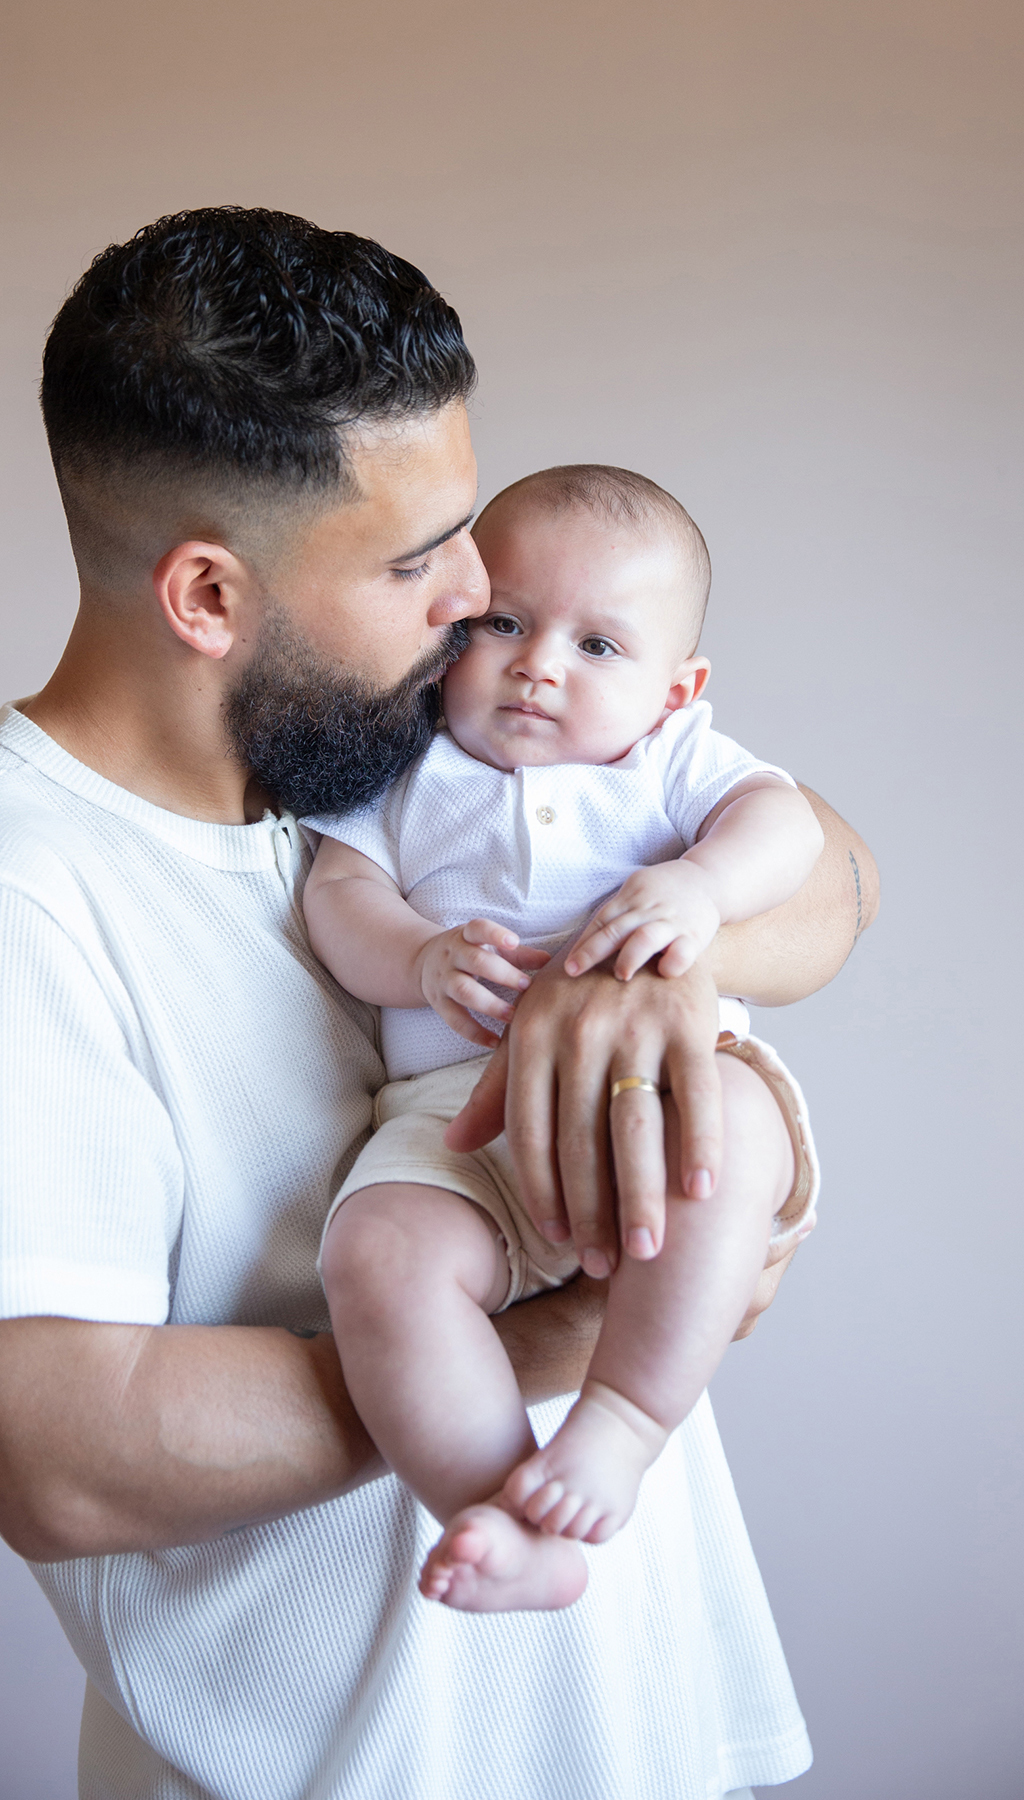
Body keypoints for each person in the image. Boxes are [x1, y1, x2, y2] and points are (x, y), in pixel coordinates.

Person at [0, 207, 876, 1800]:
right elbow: (67, 1464)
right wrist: (584, 1323)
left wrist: (675, 962)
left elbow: (833, 873)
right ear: (205, 597)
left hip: (641, 1734)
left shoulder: (391, 746)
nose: (479, 596)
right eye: (415, 561)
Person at [303, 464, 824, 1613]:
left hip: (661, 1090)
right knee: (377, 1253)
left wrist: (697, 888)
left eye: (599, 647)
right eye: (506, 623)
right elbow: (340, 902)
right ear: (451, 636)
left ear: (677, 690)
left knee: (736, 1129)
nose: (539, 662)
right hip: (458, 1123)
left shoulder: (671, 763)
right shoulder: (406, 769)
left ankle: (625, 1423)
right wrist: (419, 958)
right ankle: (494, 1510)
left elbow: (787, 829)